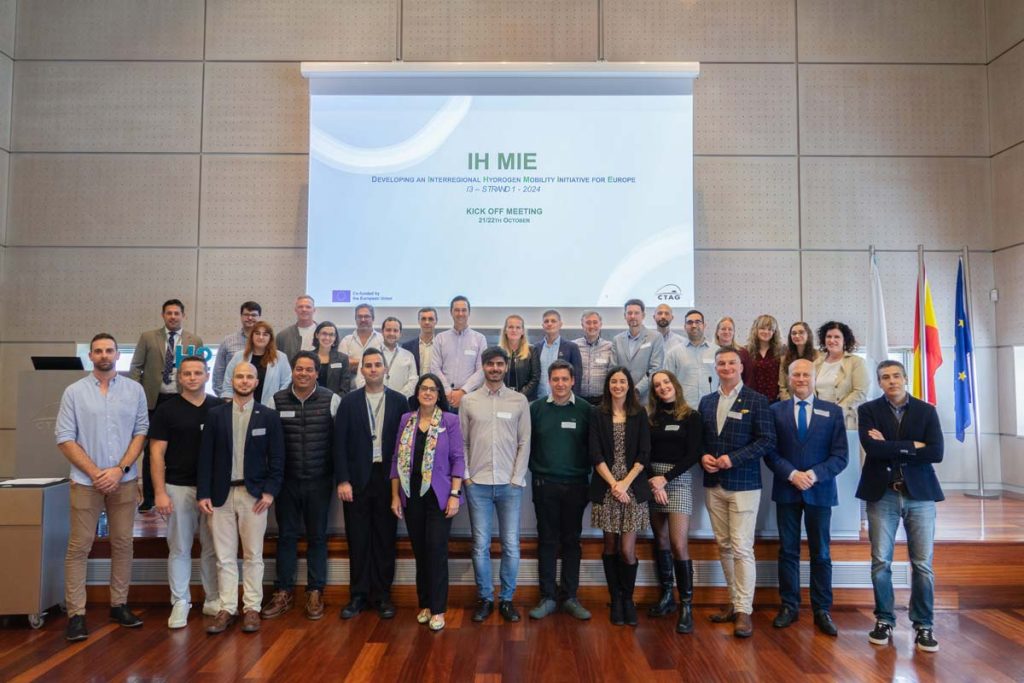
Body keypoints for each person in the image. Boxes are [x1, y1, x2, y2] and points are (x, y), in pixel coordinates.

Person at [56, 333, 148, 642]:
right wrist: (97, 473)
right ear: (91, 356)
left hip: (124, 480)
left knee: (123, 543)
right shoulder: (74, 392)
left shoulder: (135, 390)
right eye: (98, 351)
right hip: (86, 481)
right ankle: (76, 614)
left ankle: (119, 605)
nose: (104, 355)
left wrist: (119, 470)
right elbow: (64, 437)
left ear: (118, 355)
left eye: (109, 350)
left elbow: (141, 432)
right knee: (79, 546)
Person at [858, 360, 944, 653]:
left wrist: (891, 445)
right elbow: (873, 449)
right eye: (885, 377)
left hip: (920, 496)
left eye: (896, 376)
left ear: (905, 378)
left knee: (922, 564)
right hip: (882, 495)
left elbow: (937, 452)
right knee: (881, 562)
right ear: (879, 382)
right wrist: (913, 445)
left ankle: (923, 624)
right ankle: (884, 619)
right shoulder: (868, 411)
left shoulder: (926, 410)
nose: (891, 381)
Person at [197, 362, 285, 635]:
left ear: (257, 382)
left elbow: (278, 458)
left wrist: (270, 492)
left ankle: (251, 608)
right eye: (240, 376)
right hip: (220, 496)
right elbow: (205, 457)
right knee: (224, 556)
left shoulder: (268, 416)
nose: (244, 381)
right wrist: (203, 493)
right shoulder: (216, 415)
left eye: (249, 377)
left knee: (253, 555)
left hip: (254, 496)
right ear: (232, 380)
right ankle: (227, 608)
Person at [766, 359, 848, 636]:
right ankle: (789, 606)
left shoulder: (833, 412)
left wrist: (813, 475)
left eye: (806, 374)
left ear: (814, 378)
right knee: (788, 551)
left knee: (821, 552)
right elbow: (770, 452)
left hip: (820, 491)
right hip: (787, 489)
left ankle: (822, 609)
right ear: (789, 379)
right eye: (796, 375)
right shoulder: (775, 411)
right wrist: (792, 474)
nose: (801, 379)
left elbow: (840, 456)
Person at [698, 347, 775, 638]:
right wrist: (702, 456)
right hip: (714, 485)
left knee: (742, 547)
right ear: (715, 367)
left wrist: (734, 458)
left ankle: (744, 610)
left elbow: (767, 440)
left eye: (732, 363)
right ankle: (734, 602)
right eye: (721, 363)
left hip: (744, 485)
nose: (726, 367)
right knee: (725, 546)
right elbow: (701, 440)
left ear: (741, 367)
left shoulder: (757, 400)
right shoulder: (707, 402)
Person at [261, 352, 341, 621]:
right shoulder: (276, 400)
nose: (303, 374)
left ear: (317, 373)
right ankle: (283, 591)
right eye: (299, 369)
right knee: (286, 536)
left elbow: (339, 443)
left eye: (309, 369)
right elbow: (268, 443)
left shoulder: (332, 399)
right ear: (292, 371)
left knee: (317, 537)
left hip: (320, 481)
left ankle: (315, 591)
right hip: (286, 482)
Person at [334, 348, 408, 619]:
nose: (373, 369)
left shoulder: (400, 401)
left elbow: (405, 444)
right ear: (362, 370)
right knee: (358, 539)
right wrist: (343, 479)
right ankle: (358, 595)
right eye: (368, 365)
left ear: (385, 369)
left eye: (378, 364)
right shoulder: (349, 402)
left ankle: (382, 596)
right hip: (357, 480)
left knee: (385, 539)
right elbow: (339, 444)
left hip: (388, 479)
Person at [460, 346, 531, 623]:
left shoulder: (518, 401)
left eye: (500, 364)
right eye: (490, 364)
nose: (495, 368)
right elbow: (462, 443)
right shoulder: (468, 401)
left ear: (505, 367)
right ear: (483, 367)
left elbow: (524, 442)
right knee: (480, 545)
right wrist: (467, 477)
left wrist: (516, 479)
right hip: (477, 484)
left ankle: (507, 599)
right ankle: (486, 598)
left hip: (509, 486)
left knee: (511, 544)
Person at [149, 355, 220, 629]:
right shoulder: (167, 410)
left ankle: (213, 598)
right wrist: (159, 492)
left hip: (212, 490)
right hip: (178, 487)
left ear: (207, 376)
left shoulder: (218, 407)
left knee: (213, 548)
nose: (192, 377)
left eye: (197, 373)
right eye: (187, 373)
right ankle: (180, 601)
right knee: (179, 547)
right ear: (179, 377)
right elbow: (156, 453)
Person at [389, 374, 465, 632]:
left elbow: (458, 459)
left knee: (436, 550)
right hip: (411, 495)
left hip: (439, 496)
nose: (428, 393)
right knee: (420, 551)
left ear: (439, 394)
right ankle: (424, 604)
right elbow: (396, 459)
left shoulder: (449, 420)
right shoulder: (406, 420)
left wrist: (455, 494)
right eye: (424, 388)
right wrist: (394, 496)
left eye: (433, 389)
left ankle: (438, 608)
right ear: (418, 392)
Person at [527, 360, 593, 621]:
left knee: (571, 541)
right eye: (555, 379)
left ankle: (570, 597)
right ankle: (548, 597)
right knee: (547, 540)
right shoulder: (536, 409)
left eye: (565, 379)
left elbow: (595, 447)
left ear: (573, 381)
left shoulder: (586, 410)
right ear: (549, 381)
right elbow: (526, 444)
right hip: (544, 485)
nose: (560, 384)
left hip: (577, 485)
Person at [129, 298, 203, 512]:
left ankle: (177, 490)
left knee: (181, 446)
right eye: (169, 313)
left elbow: (198, 369)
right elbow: (136, 367)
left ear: (183, 316)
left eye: (176, 313)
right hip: (153, 400)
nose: (173, 317)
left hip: (181, 398)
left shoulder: (194, 340)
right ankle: (149, 497)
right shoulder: (148, 337)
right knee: (151, 448)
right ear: (163, 315)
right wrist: (137, 395)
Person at [590, 366, 651, 627]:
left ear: (629, 385)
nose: (618, 385)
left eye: (622, 381)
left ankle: (628, 598)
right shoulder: (597, 413)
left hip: (633, 487)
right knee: (610, 547)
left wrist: (625, 484)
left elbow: (644, 454)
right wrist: (614, 485)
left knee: (627, 550)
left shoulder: (639, 414)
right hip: (607, 486)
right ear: (608, 385)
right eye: (613, 381)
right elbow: (595, 454)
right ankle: (615, 599)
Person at [645, 370, 702, 633]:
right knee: (661, 540)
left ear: (675, 384)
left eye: (666, 382)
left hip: (677, 481)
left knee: (679, 544)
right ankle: (667, 596)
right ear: (654, 392)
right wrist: (654, 481)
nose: (662, 387)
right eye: (657, 385)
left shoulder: (691, 416)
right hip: (653, 481)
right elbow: (644, 452)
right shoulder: (651, 418)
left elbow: (693, 454)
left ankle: (686, 606)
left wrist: (665, 479)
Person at [430, 295, 487, 411]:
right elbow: (435, 368)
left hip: (470, 397)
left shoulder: (480, 339)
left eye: (464, 310)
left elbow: (481, 370)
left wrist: (463, 391)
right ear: (451, 312)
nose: (460, 313)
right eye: (456, 310)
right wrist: (448, 391)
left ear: (469, 312)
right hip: (444, 398)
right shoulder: (440, 338)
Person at [814, 321, 870, 429]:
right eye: (828, 336)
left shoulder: (856, 362)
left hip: (846, 419)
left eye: (837, 337)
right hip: (820, 419)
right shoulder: (816, 364)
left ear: (844, 340)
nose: (832, 340)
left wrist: (836, 412)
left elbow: (860, 392)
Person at [222, 321, 291, 404]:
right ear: (252, 336)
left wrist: (277, 403)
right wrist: (230, 405)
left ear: (270, 338)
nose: (261, 337)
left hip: (271, 407)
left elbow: (286, 384)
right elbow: (228, 383)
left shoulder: (281, 358)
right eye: (257, 333)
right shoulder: (238, 356)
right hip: (240, 407)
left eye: (265, 334)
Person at [611, 299, 664, 404]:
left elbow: (655, 369)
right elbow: (613, 368)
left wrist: (637, 390)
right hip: (622, 397)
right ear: (625, 316)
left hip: (646, 398)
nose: (633, 316)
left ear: (643, 315)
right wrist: (623, 389)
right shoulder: (617, 340)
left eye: (636, 313)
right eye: (629, 313)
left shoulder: (655, 337)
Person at [663, 308, 718, 407]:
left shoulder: (717, 352)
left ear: (704, 325)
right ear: (685, 327)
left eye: (698, 322)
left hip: (712, 407)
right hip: (684, 407)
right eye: (690, 322)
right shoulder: (673, 353)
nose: (694, 325)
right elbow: (668, 383)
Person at [212, 301, 262, 405]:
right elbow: (218, 374)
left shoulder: (267, 343)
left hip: (261, 401)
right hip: (232, 400)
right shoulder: (228, 341)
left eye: (253, 315)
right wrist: (226, 399)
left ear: (259, 317)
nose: (250, 318)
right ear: (241, 316)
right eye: (246, 314)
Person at [353, 316, 417, 397]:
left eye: (395, 330)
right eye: (388, 330)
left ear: (400, 334)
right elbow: (360, 379)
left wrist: (398, 397)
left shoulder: (408, 356)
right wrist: (374, 396)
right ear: (382, 332)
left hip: (400, 401)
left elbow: (413, 381)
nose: (391, 333)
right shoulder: (369, 354)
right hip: (372, 400)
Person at [534, 309, 583, 400]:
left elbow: (577, 377)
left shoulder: (571, 347)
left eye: (553, 321)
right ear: (543, 325)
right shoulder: (536, 348)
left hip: (563, 400)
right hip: (539, 399)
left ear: (560, 324)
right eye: (546, 321)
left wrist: (574, 400)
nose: (549, 324)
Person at [573, 310, 614, 405]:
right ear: (582, 325)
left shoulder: (610, 347)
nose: (592, 326)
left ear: (600, 324)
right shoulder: (573, 346)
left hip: (602, 400)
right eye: (588, 323)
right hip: (579, 399)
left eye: (595, 322)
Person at [741, 314, 783, 402]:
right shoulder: (745, 352)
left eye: (770, 329)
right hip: (752, 400)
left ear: (774, 332)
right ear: (755, 330)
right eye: (762, 328)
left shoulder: (781, 351)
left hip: (775, 401)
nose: (766, 332)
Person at [499, 314, 540, 398]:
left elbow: (535, 378)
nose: (514, 330)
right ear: (505, 331)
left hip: (526, 399)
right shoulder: (498, 352)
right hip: (502, 398)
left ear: (522, 331)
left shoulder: (532, 351)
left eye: (518, 327)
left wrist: (519, 396)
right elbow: (495, 377)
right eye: (510, 327)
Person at [778, 321, 820, 401]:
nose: (797, 336)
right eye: (794, 333)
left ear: (808, 335)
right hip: (790, 402)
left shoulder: (818, 357)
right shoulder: (784, 359)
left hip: (814, 402)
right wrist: (790, 404)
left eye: (801, 332)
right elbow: (782, 387)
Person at [338, 303, 385, 373]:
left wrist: (353, 362)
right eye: (359, 317)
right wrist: (371, 363)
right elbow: (341, 364)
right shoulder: (346, 340)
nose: (363, 320)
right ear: (355, 319)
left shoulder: (382, 339)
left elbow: (385, 364)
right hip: (352, 380)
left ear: (373, 319)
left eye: (366, 316)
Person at [311, 320, 352, 396]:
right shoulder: (308, 357)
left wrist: (334, 401)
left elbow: (345, 388)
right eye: (324, 334)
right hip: (311, 401)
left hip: (335, 400)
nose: (327, 338)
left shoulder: (342, 359)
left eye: (331, 335)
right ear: (317, 335)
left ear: (335, 338)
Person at [277, 295, 318, 362]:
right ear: (295, 310)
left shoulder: (323, 334)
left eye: (308, 307)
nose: (304, 309)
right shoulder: (283, 336)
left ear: (314, 310)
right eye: (300, 307)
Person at [402, 306, 438, 375]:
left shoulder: (442, 346)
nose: (427, 322)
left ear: (436, 321)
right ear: (419, 321)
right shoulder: (407, 347)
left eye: (430, 319)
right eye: (423, 319)